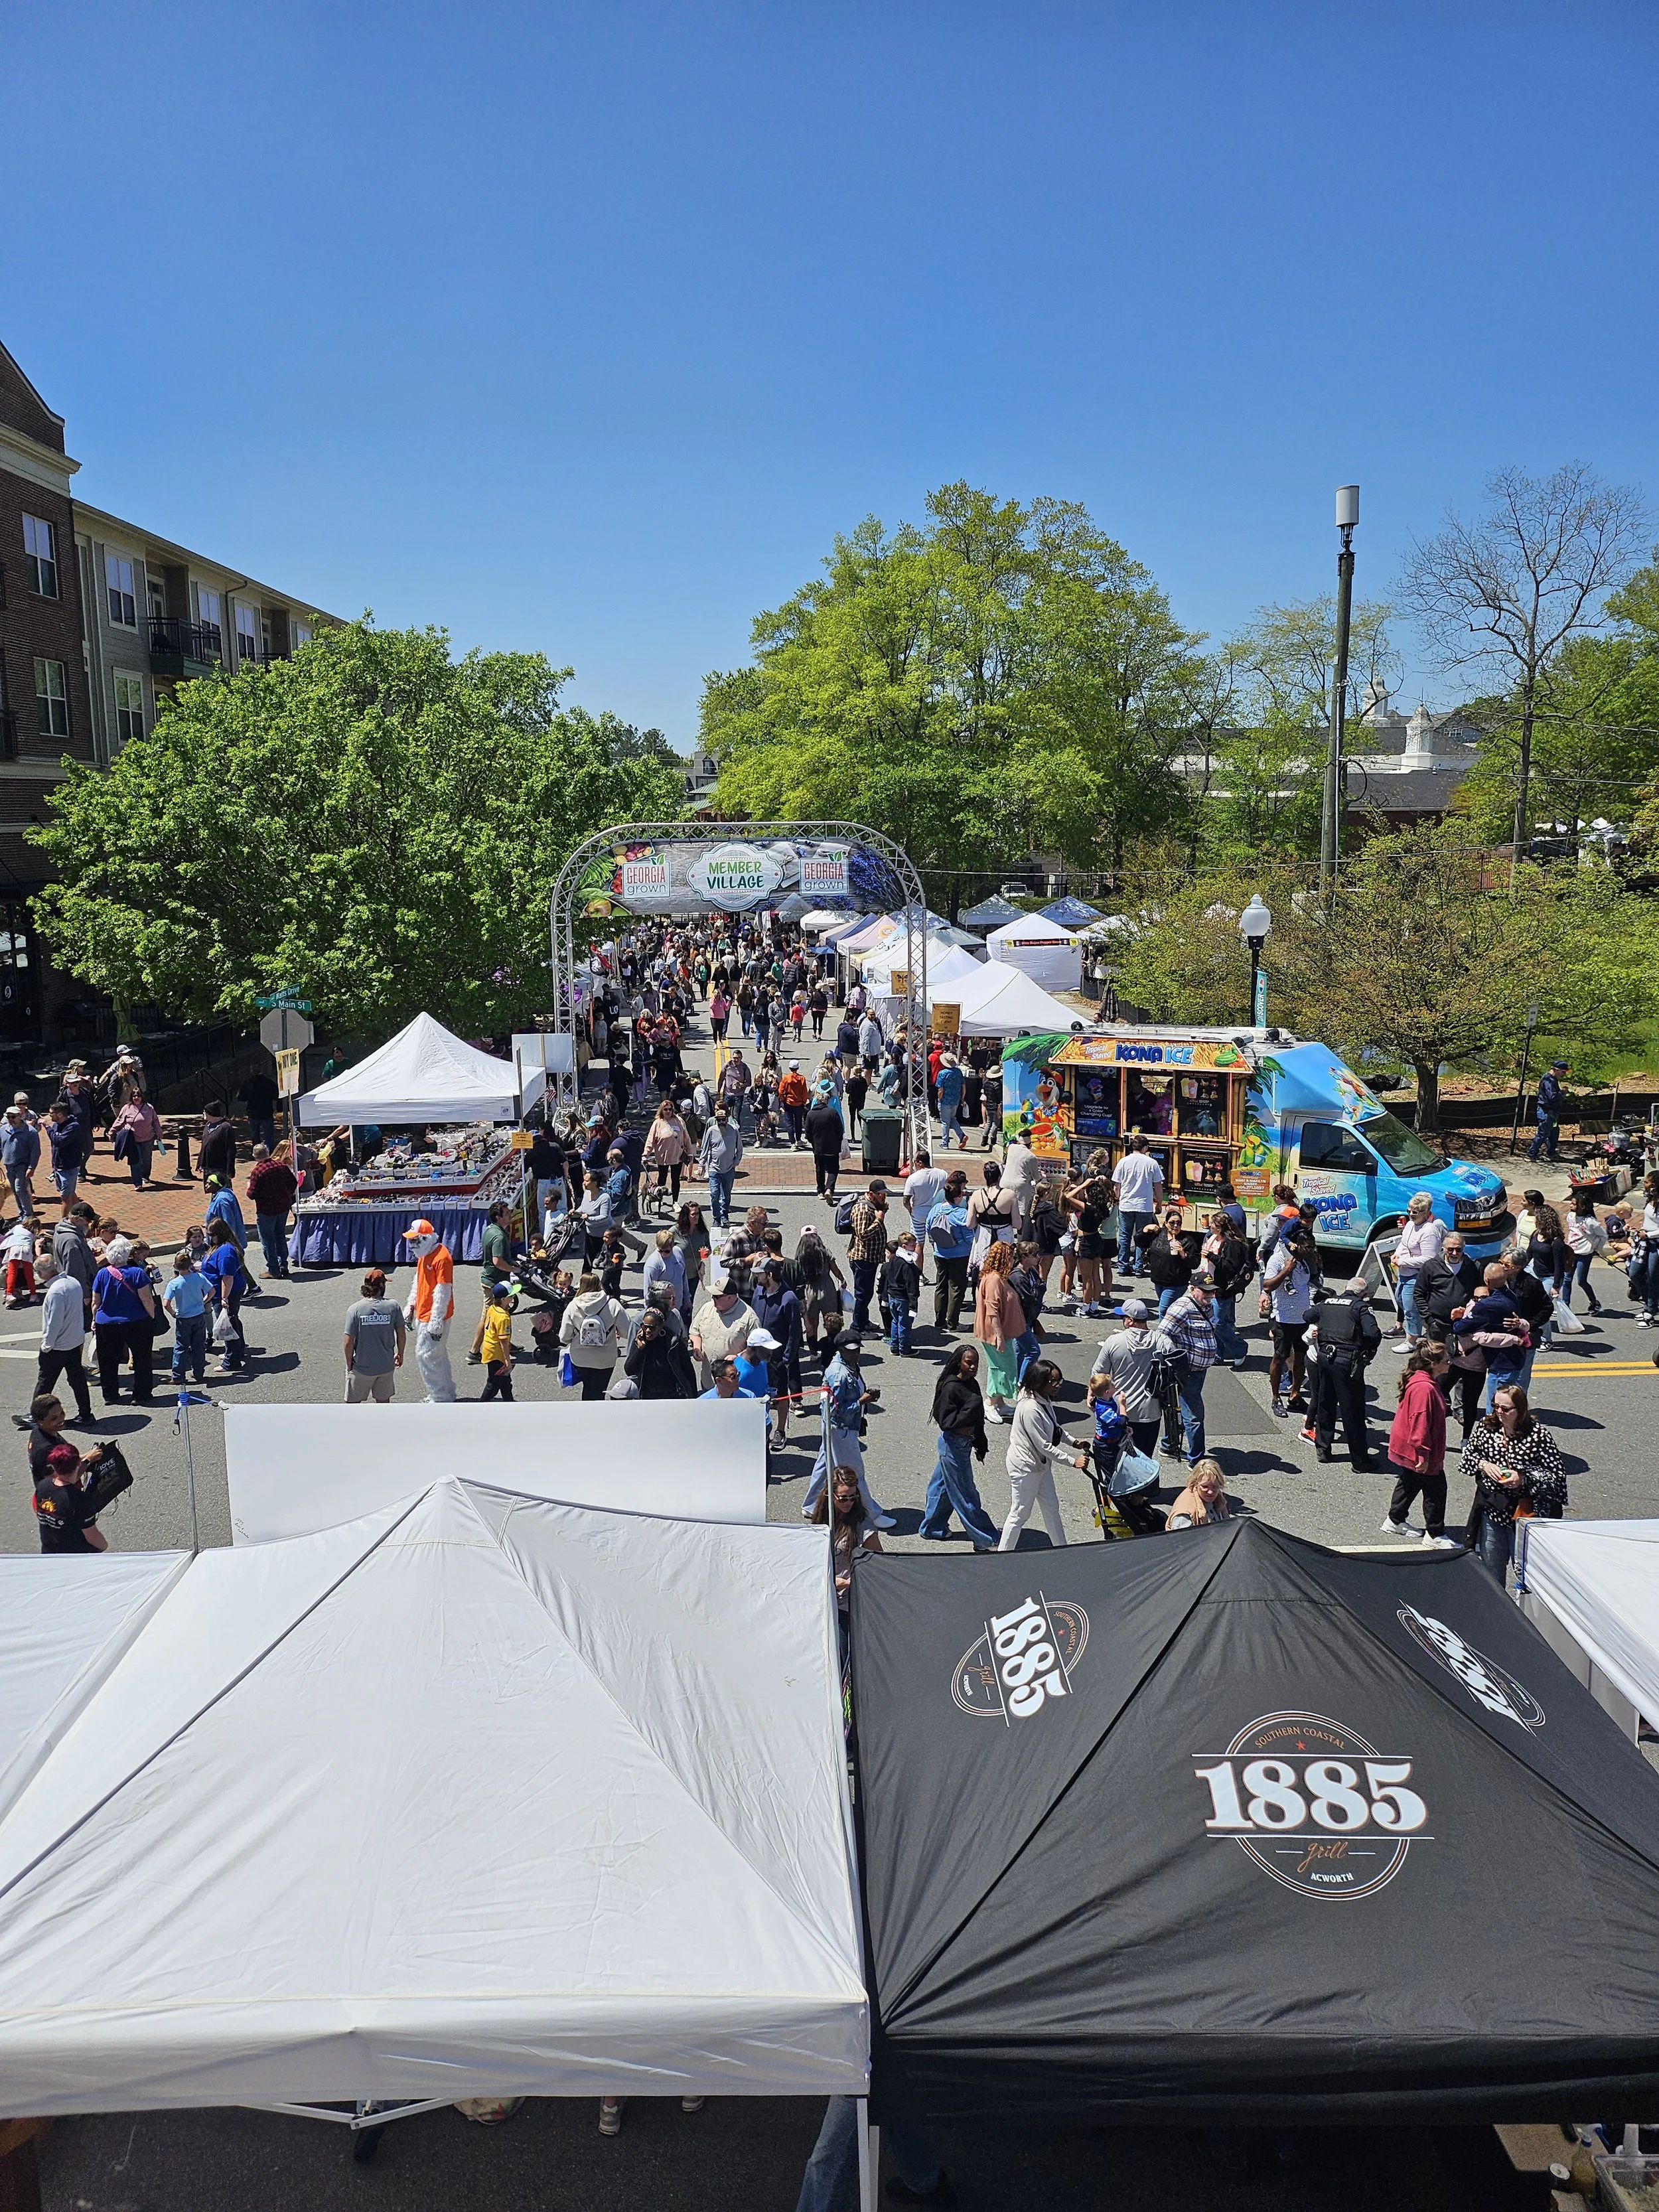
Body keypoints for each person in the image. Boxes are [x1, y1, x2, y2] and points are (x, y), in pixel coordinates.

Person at [1461, 1383, 1566, 1582]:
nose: (1499, 1412)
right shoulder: (1486, 1426)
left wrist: (1523, 1478)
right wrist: (1484, 1465)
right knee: (1491, 1571)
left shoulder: (1538, 1435)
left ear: (1520, 1409)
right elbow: (1468, 1457)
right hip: (1493, 1511)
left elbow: (1557, 1478)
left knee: (1525, 1574)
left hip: (1524, 1516)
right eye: (1495, 1406)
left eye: (1506, 1409)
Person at [804, 1331, 892, 1526]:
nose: (857, 1353)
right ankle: (872, 1513)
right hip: (841, 1428)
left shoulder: (849, 1365)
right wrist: (862, 1401)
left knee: (825, 1465)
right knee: (854, 1471)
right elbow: (836, 1410)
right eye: (852, 1351)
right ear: (841, 1350)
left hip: (839, 1427)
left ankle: (811, 1505)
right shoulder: (839, 1374)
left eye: (858, 1349)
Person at [999, 1357, 1085, 1552]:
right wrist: (1073, 1461)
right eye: (1053, 1382)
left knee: (1051, 1507)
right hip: (1026, 1467)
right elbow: (1044, 1445)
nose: (1057, 1386)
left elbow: (1054, 1429)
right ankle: (1002, 1555)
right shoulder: (1030, 1408)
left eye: (1059, 1381)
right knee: (1020, 1513)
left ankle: (1061, 1551)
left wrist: (1074, 1442)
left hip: (1040, 1466)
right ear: (1039, 1382)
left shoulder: (1043, 1399)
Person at [920, 1343, 999, 1550]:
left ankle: (932, 1528)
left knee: (942, 1487)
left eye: (976, 1363)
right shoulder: (951, 1387)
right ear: (959, 1362)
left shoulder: (971, 1384)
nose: (973, 1367)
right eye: (969, 1362)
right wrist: (971, 1408)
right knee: (966, 1494)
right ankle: (985, 1538)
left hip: (964, 1444)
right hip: (953, 1446)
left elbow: (978, 1420)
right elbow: (946, 1422)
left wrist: (981, 1443)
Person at [1382, 1341, 1457, 1546]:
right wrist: (1423, 1456)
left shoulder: (1420, 1380)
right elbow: (1420, 1425)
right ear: (1433, 1363)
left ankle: (1395, 1520)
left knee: (1410, 1482)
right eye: (1446, 1360)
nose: (1450, 1363)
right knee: (1436, 1490)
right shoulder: (1425, 1389)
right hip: (1420, 1450)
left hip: (1407, 1446)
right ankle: (1435, 1534)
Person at [1304, 1277, 1382, 1467]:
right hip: (1347, 1361)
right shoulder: (1360, 1306)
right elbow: (1373, 1333)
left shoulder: (1327, 1303)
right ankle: (1360, 1461)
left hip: (1324, 1358)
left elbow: (1307, 1316)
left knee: (1326, 1403)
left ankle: (1323, 1449)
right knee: (1352, 1410)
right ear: (1363, 1294)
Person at [812, 1465, 883, 1657]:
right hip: (819, 1597)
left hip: (845, 1602)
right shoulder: (822, 1518)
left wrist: (847, 1582)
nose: (849, 1503)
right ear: (830, 1496)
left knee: (839, 1655)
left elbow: (878, 1566)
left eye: (853, 1497)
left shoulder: (863, 1525)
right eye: (843, 1498)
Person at [1155, 1273, 1220, 1465]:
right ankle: (1196, 1461)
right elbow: (1162, 1336)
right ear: (1192, 1290)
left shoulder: (1205, 1305)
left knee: (1186, 1410)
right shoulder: (1181, 1308)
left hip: (1199, 1371)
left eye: (1213, 1291)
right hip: (1188, 1372)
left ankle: (1168, 1444)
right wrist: (1178, 1360)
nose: (1211, 1296)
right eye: (1206, 1292)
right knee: (1195, 1416)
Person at [1089, 1298, 1163, 1461]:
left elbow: (1098, 1373)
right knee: (1144, 1460)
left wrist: (1091, 1396)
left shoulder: (1114, 1342)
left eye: (1123, 1317)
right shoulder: (1162, 1342)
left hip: (1119, 1412)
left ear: (1130, 1321)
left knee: (1119, 1462)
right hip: (1150, 1412)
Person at [91, 1234, 156, 1405]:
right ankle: (141, 1394)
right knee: (142, 1358)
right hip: (136, 1321)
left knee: (108, 1360)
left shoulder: (102, 1274)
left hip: (107, 1322)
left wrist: (94, 1319)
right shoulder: (137, 1273)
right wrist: (152, 1316)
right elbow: (147, 1299)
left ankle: (110, 1395)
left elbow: (95, 1302)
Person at [1264, 1223, 1318, 1416]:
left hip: (1302, 1318)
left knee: (1301, 1358)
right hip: (1283, 1318)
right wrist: (1286, 1271)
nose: (1311, 1251)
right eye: (1307, 1247)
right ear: (1295, 1245)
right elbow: (1267, 1285)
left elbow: (1313, 1284)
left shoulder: (1306, 1262)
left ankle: (1295, 1395)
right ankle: (1276, 1398)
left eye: (1313, 1247)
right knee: (1279, 1358)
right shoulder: (1278, 1260)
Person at [403, 1217, 457, 1402]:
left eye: (415, 1240)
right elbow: (418, 1282)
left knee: (426, 1355)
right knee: (437, 1354)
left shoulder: (442, 1257)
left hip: (433, 1317)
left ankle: (439, 1397)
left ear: (426, 1238)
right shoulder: (424, 1254)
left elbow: (443, 1291)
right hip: (423, 1313)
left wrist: (436, 1320)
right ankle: (447, 1392)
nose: (412, 1244)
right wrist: (411, 1305)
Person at [974, 1239, 1029, 1421]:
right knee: (1000, 1368)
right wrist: (998, 1336)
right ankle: (990, 1403)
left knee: (1004, 1367)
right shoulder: (994, 1280)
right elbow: (992, 1310)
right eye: (1011, 1257)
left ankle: (999, 1403)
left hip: (1001, 1333)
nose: (1013, 1260)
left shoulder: (996, 1276)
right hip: (995, 1335)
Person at [751, 1257, 804, 1445]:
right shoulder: (758, 1291)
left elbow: (794, 1331)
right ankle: (759, 1429)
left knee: (780, 1394)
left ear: (770, 1275)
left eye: (760, 1273)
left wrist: (788, 1358)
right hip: (756, 1355)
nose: (757, 1276)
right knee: (757, 1392)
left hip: (778, 1356)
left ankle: (780, 1430)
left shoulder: (789, 1298)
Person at [33, 1255, 92, 1420]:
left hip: (58, 1346)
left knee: (44, 1383)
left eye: (37, 1271)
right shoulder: (73, 1282)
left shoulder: (55, 1293)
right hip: (75, 1342)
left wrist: (46, 1346)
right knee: (77, 1380)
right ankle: (85, 1414)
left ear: (44, 1273)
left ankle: (36, 1416)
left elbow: (54, 1323)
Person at [1388, 1191, 1445, 1347]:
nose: (1411, 1214)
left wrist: (1404, 1261)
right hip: (1404, 1273)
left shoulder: (1430, 1231)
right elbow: (1404, 1243)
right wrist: (1396, 1254)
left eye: (1415, 1212)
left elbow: (1429, 1259)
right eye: (1409, 1211)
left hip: (1417, 1275)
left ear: (1426, 1212)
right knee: (1400, 1300)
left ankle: (1411, 1340)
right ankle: (1430, 1330)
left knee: (1411, 1309)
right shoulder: (1411, 1225)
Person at [558, 1270, 625, 1398]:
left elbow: (564, 1338)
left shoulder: (573, 1306)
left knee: (587, 1387)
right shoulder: (612, 1304)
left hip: (580, 1358)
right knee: (600, 1390)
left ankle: (587, 1412)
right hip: (606, 1359)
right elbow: (627, 1331)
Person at [342, 1266, 405, 1402]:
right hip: (386, 1367)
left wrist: (349, 1365)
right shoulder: (393, 1306)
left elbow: (348, 1343)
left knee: (352, 1406)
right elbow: (401, 1333)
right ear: (382, 1285)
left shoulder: (355, 1309)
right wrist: (400, 1353)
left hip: (361, 1368)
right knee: (383, 1406)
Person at [34, 1440, 108, 1554]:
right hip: (76, 1555)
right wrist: (104, 1546)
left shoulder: (43, 1486)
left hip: (49, 1552)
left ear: (53, 1467)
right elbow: (92, 1537)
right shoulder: (80, 1500)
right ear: (78, 1464)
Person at [689, 1274, 757, 1392]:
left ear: (731, 1297)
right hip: (708, 1380)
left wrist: (738, 1357)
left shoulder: (749, 1318)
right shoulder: (707, 1308)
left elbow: (757, 1349)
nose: (713, 1299)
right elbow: (695, 1332)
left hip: (733, 1383)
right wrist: (696, 1347)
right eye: (713, 1296)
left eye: (717, 1297)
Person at [1202, 1211, 1252, 1366]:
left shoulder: (1233, 1244)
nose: (1210, 1226)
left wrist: (1211, 1256)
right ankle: (1218, 1355)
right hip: (1210, 1285)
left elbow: (1230, 1267)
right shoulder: (1214, 1239)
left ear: (1221, 1227)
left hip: (1223, 1289)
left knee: (1216, 1323)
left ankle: (1240, 1347)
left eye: (1213, 1224)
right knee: (1213, 1322)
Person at [200, 1221, 250, 1374]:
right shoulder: (222, 1247)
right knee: (232, 1321)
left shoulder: (226, 1252)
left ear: (219, 1234)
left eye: (212, 1235)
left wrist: (224, 1298)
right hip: (222, 1292)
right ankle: (236, 1351)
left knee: (227, 1326)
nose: (209, 1238)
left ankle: (232, 1360)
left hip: (226, 1294)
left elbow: (227, 1278)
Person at [1112, 1134, 1165, 1277]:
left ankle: (1123, 1266)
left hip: (1126, 1204)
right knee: (1142, 1236)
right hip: (1144, 1205)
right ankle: (1138, 1267)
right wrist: (1159, 1203)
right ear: (1145, 1147)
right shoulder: (1151, 1163)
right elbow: (1158, 1185)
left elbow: (1117, 1185)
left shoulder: (1123, 1161)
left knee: (1124, 1236)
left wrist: (1117, 1199)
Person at [245, 1143, 297, 1281]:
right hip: (283, 1207)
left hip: (267, 1210)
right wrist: (286, 1194)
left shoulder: (258, 1171)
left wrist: (249, 1187)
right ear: (268, 1152)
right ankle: (283, 1265)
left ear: (255, 1156)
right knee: (280, 1235)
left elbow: (251, 1194)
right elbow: (294, 1182)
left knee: (268, 1240)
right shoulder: (281, 1166)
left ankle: (273, 1269)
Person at [160, 1248, 212, 1386]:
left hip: (183, 1318)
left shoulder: (174, 1283)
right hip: (199, 1315)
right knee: (199, 1345)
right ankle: (199, 1372)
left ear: (175, 1267)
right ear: (191, 1265)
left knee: (181, 1347)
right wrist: (204, 1301)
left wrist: (173, 1313)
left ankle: (178, 1376)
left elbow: (166, 1303)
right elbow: (212, 1290)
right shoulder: (199, 1277)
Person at [623, 1303, 697, 1400]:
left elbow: (688, 1370)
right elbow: (629, 1370)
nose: (648, 1331)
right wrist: (639, 1349)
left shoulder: (673, 1342)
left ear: (661, 1327)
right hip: (648, 1395)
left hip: (672, 1395)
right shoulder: (641, 1342)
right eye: (645, 1326)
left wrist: (694, 1397)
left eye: (652, 1327)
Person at [793, 1224, 847, 1357]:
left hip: (809, 1291)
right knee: (831, 1321)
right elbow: (835, 1269)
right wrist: (842, 1279)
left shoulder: (800, 1255)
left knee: (812, 1324)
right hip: (827, 1289)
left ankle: (813, 1352)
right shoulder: (825, 1252)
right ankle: (832, 1349)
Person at [844, 1180, 889, 1333]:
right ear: (871, 1194)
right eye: (880, 1194)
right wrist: (879, 1220)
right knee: (862, 1295)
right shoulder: (862, 1209)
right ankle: (857, 1328)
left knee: (867, 1293)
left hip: (871, 1257)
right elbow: (862, 1234)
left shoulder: (873, 1206)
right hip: (862, 1258)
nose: (883, 1197)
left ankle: (864, 1321)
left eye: (884, 1194)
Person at [1141, 1203, 1198, 1317]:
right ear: (1166, 1223)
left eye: (1179, 1223)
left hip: (1176, 1283)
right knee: (1171, 1310)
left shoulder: (1187, 1240)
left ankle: (1163, 1334)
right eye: (1172, 1223)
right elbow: (1140, 1242)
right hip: (1159, 1280)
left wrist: (1183, 1254)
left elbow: (1195, 1262)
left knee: (1164, 1310)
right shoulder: (1159, 1235)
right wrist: (1145, 1230)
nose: (1175, 1226)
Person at [696, 1102, 743, 1229]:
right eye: (719, 1120)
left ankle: (725, 1216)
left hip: (729, 1169)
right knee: (714, 1193)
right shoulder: (711, 1131)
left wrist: (736, 1161)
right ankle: (716, 1218)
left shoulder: (734, 1130)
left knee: (726, 1195)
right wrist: (701, 1165)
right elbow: (705, 1149)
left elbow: (739, 1148)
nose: (721, 1122)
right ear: (716, 1121)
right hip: (714, 1169)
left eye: (723, 1120)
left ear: (727, 1119)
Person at [1563, 1189, 1607, 1314]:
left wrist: (1596, 1249)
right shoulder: (1571, 1216)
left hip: (1584, 1255)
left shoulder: (1591, 1222)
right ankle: (1566, 1306)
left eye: (1573, 1203)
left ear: (1582, 1206)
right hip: (1571, 1253)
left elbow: (1603, 1236)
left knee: (1582, 1281)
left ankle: (1594, 1302)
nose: (1570, 1205)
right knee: (1567, 1279)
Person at [879, 1229, 921, 1355]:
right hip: (903, 1298)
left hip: (892, 1296)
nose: (915, 1247)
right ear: (904, 1246)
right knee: (904, 1325)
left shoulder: (893, 1259)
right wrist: (914, 1306)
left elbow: (888, 1279)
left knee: (895, 1322)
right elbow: (911, 1286)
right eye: (912, 1245)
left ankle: (894, 1347)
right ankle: (905, 1349)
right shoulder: (907, 1266)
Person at [110, 1093, 163, 1191]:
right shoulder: (127, 1108)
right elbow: (119, 1120)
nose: (136, 1098)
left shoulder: (149, 1108)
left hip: (148, 1138)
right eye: (134, 1096)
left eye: (138, 1095)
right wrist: (112, 1131)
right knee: (135, 1161)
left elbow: (155, 1121)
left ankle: (145, 1176)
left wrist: (159, 1131)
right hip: (132, 1139)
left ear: (142, 1097)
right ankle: (137, 1183)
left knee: (146, 1159)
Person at [1166, 1457, 1231, 1530]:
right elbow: (1178, 1540)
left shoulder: (1218, 1495)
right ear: (1195, 1483)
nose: (1210, 1492)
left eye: (1214, 1486)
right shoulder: (1185, 1516)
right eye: (1205, 1487)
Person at [805, 1087, 846, 1202]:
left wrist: (813, 1142)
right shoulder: (832, 1112)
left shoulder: (811, 1114)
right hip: (832, 1147)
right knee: (833, 1169)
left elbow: (807, 1133)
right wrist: (838, 1142)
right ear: (827, 1101)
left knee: (820, 1169)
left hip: (818, 1147)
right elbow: (839, 1129)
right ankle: (829, 1189)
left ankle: (821, 1191)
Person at [45, 1100, 86, 1213]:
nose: (49, 1116)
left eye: (51, 1113)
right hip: (58, 1165)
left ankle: (62, 1226)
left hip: (69, 1167)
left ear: (60, 1114)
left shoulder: (73, 1127)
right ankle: (86, 1215)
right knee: (71, 1194)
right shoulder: (56, 1125)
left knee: (66, 1198)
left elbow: (58, 1141)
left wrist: (47, 1127)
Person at [1, 1100, 38, 1220]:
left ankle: (28, 1215)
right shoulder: (3, 1130)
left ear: (20, 1116)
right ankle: (23, 1213)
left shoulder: (30, 1132)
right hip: (9, 1166)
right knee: (14, 1190)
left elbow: (35, 1151)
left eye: (13, 1117)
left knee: (20, 1189)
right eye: (8, 1117)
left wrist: (31, 1167)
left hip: (22, 1165)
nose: (11, 1119)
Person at [1526, 1060, 1569, 1163]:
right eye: (1563, 1072)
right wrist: (1562, 1093)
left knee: (1554, 1133)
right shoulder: (1548, 1081)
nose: (1564, 1075)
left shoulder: (1553, 1080)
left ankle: (1551, 1153)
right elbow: (1552, 1097)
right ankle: (1531, 1154)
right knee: (1543, 1133)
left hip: (1552, 1113)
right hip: (1546, 1112)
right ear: (1556, 1070)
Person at [238, 1066, 281, 1154]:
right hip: (266, 1112)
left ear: (251, 1071)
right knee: (269, 1135)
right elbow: (277, 1095)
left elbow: (240, 1097)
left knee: (255, 1135)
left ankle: (257, 1153)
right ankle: (269, 1153)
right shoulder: (268, 1082)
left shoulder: (248, 1082)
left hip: (253, 1113)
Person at [197, 1099, 239, 1185]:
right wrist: (200, 1163)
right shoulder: (207, 1125)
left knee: (223, 1190)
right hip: (208, 1166)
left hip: (220, 1167)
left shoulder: (225, 1128)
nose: (203, 1114)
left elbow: (231, 1150)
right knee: (211, 1188)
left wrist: (230, 1170)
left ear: (211, 1114)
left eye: (205, 1112)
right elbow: (204, 1145)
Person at [934, 1052, 967, 1150]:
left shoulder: (943, 1073)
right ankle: (961, 1135)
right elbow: (964, 1086)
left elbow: (940, 1089)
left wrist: (939, 1099)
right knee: (952, 1119)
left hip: (945, 1100)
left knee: (945, 1122)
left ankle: (945, 1143)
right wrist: (962, 1098)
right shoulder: (958, 1072)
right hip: (955, 1100)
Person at [779, 1061, 810, 1148]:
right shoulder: (802, 1079)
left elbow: (781, 1091)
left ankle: (792, 1143)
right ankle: (799, 1140)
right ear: (798, 1068)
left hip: (788, 1103)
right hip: (799, 1104)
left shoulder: (786, 1078)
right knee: (798, 1122)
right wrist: (804, 1101)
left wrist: (783, 1099)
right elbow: (804, 1092)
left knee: (789, 1123)